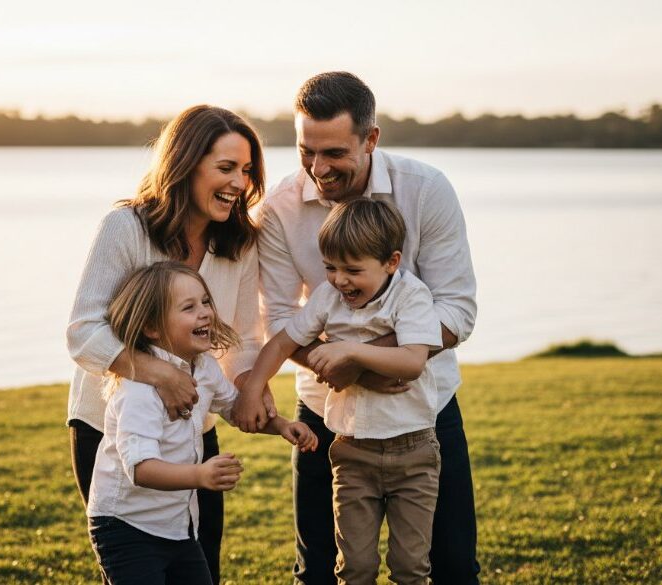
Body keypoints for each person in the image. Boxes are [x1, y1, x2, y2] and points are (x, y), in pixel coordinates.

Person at [233, 71, 479, 584]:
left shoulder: (426, 189)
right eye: (306, 152)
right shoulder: (278, 208)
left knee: (451, 565)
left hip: (424, 413)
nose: (318, 169)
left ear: (371, 139)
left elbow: (457, 309)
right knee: (322, 569)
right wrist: (333, 368)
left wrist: (363, 360)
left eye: (334, 153)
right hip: (328, 415)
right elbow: (281, 319)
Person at [67, 105, 275, 585]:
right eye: (226, 168)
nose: (239, 183)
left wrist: (249, 385)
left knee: (202, 565)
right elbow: (83, 331)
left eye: (247, 171)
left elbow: (244, 337)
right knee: (132, 566)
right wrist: (161, 373)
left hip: (193, 430)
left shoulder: (241, 244)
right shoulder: (126, 228)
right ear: (185, 164)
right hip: (108, 427)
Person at [239, 199, 443, 584]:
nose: (339, 280)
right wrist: (253, 386)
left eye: (353, 270)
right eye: (330, 268)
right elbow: (282, 341)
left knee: (410, 567)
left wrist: (349, 351)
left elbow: (413, 361)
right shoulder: (328, 297)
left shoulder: (410, 295)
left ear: (391, 262)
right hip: (353, 451)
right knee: (355, 567)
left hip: (413, 451)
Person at [88, 262, 317, 585]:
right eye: (189, 307)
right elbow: (140, 468)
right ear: (152, 327)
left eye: (206, 302)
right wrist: (200, 475)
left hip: (178, 527)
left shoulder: (205, 367)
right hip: (126, 527)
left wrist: (280, 425)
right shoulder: (139, 389)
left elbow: (236, 409)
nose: (205, 313)